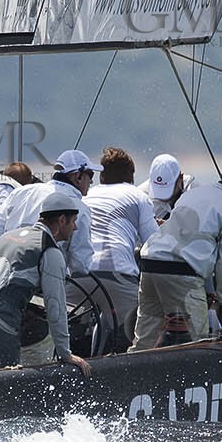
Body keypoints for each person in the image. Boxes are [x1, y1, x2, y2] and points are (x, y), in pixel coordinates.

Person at [0, 197, 90, 376]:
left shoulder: (6, 237)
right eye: (73, 222)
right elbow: (56, 306)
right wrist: (64, 353)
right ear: (61, 220)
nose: (75, 228)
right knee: (4, 389)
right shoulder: (49, 250)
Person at [133, 150, 222, 349]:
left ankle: (131, 375)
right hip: (181, 273)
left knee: (145, 339)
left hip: (150, 262)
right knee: (196, 343)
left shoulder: (194, 193)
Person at [82, 147, 159, 345]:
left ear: (101, 176)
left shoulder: (86, 195)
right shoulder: (138, 196)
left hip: (78, 275)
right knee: (139, 332)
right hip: (118, 275)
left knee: (74, 327)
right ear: (131, 176)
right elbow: (154, 244)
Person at [0, 149, 99, 277]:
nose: (92, 182)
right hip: (42, 287)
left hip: (0, 276)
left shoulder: (20, 192)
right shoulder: (80, 209)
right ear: (79, 177)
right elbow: (80, 264)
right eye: (91, 175)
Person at [148, 153, 195, 222]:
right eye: (158, 188)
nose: (161, 197)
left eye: (166, 188)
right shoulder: (142, 196)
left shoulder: (194, 192)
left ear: (181, 178)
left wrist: (166, 227)